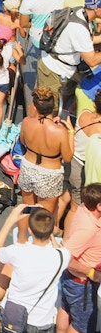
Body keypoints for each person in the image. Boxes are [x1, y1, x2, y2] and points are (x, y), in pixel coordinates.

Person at [0, 205, 71, 333]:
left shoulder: (17, 252)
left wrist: (9, 221)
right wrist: (50, 234)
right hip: (42, 322)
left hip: (14, 316)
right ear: (51, 230)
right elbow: (58, 249)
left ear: (30, 230)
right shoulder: (63, 256)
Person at [16, 87, 74, 243]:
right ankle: (41, 244)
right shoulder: (60, 131)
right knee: (45, 215)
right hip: (49, 173)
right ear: (52, 108)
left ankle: (22, 239)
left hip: (28, 166)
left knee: (26, 209)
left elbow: (22, 141)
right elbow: (68, 157)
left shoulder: (27, 122)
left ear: (35, 106)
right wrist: (70, 132)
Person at [37, 0, 101, 112]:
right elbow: (92, 60)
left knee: (69, 93)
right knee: (45, 108)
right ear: (96, 9)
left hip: (70, 67)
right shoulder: (79, 28)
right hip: (53, 70)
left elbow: (86, 41)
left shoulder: (80, 12)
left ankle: (65, 112)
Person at [56, 183, 101, 333]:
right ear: (99, 206)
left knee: (65, 307)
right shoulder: (88, 229)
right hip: (83, 284)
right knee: (81, 325)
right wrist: (91, 273)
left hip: (71, 281)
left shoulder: (84, 207)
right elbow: (67, 258)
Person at [63, 88, 101, 234]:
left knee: (65, 195)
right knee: (74, 208)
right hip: (81, 170)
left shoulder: (84, 113)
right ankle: (66, 239)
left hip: (70, 161)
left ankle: (52, 226)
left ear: (94, 105)